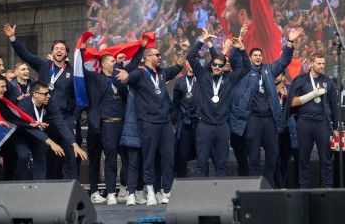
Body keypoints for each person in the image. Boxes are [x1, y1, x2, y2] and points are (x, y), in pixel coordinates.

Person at [3, 23, 83, 180]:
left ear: (66, 53)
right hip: (44, 118)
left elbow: (80, 97)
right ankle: (51, 189)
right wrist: (13, 38)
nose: (59, 50)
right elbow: (25, 55)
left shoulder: (73, 72)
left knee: (69, 154)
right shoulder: (44, 65)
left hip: (65, 118)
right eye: (56, 48)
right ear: (52, 52)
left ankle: (72, 186)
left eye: (62, 49)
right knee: (49, 156)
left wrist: (74, 118)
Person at [229, 28, 303, 186]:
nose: (258, 57)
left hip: (269, 119)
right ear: (249, 58)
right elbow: (234, 61)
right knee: (253, 156)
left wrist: (290, 42)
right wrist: (238, 42)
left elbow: (284, 60)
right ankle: (255, 187)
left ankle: (268, 185)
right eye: (254, 55)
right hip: (253, 119)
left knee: (274, 154)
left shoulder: (269, 69)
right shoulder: (244, 71)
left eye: (260, 55)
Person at [116, 43, 187, 206]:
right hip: (148, 122)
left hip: (165, 122)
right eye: (157, 55)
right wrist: (124, 75)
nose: (160, 57)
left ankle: (167, 191)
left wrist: (184, 51)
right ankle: (150, 192)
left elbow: (178, 67)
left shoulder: (162, 73)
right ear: (148, 57)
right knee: (148, 158)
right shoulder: (139, 73)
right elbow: (127, 79)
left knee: (169, 157)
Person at [80, 37, 148, 205]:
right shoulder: (96, 78)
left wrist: (141, 47)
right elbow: (80, 68)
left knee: (126, 158)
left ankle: (124, 189)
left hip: (123, 123)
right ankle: (110, 192)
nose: (115, 60)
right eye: (111, 60)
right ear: (103, 64)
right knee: (110, 159)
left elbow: (133, 65)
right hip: (107, 123)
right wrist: (82, 50)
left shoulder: (120, 75)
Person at [187, 28, 251, 177]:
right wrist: (202, 41)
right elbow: (191, 57)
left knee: (222, 165)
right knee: (201, 164)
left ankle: (220, 199)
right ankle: (200, 199)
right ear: (211, 65)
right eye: (215, 64)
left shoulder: (229, 79)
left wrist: (242, 49)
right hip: (205, 125)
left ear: (223, 68)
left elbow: (247, 67)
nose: (217, 67)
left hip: (222, 126)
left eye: (220, 65)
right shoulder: (203, 76)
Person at [15, 81, 87, 180]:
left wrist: (74, 144)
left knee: (41, 159)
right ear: (35, 94)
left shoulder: (50, 102)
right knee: (23, 156)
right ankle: (20, 187)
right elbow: (30, 128)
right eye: (45, 94)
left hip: (39, 136)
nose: (48, 96)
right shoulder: (24, 105)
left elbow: (60, 123)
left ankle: (39, 189)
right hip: (23, 134)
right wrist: (51, 143)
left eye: (48, 93)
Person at [0, 74, 43, 195]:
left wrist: (29, 123)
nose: (5, 90)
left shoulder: (0, 101)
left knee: (9, 154)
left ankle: (6, 191)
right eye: (3, 87)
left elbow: (11, 116)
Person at [289, 53, 338, 188]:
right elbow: (292, 103)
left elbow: (334, 105)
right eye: (318, 63)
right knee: (303, 159)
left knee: (326, 160)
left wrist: (335, 127)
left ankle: (327, 190)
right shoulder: (300, 80)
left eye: (323, 63)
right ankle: (303, 190)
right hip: (305, 122)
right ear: (311, 64)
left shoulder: (328, 82)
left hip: (322, 123)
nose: (321, 66)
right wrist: (313, 94)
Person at [214, 0, 282, 64]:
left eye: (228, 10)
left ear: (242, 14)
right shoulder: (235, 31)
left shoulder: (263, 36)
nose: (222, 15)